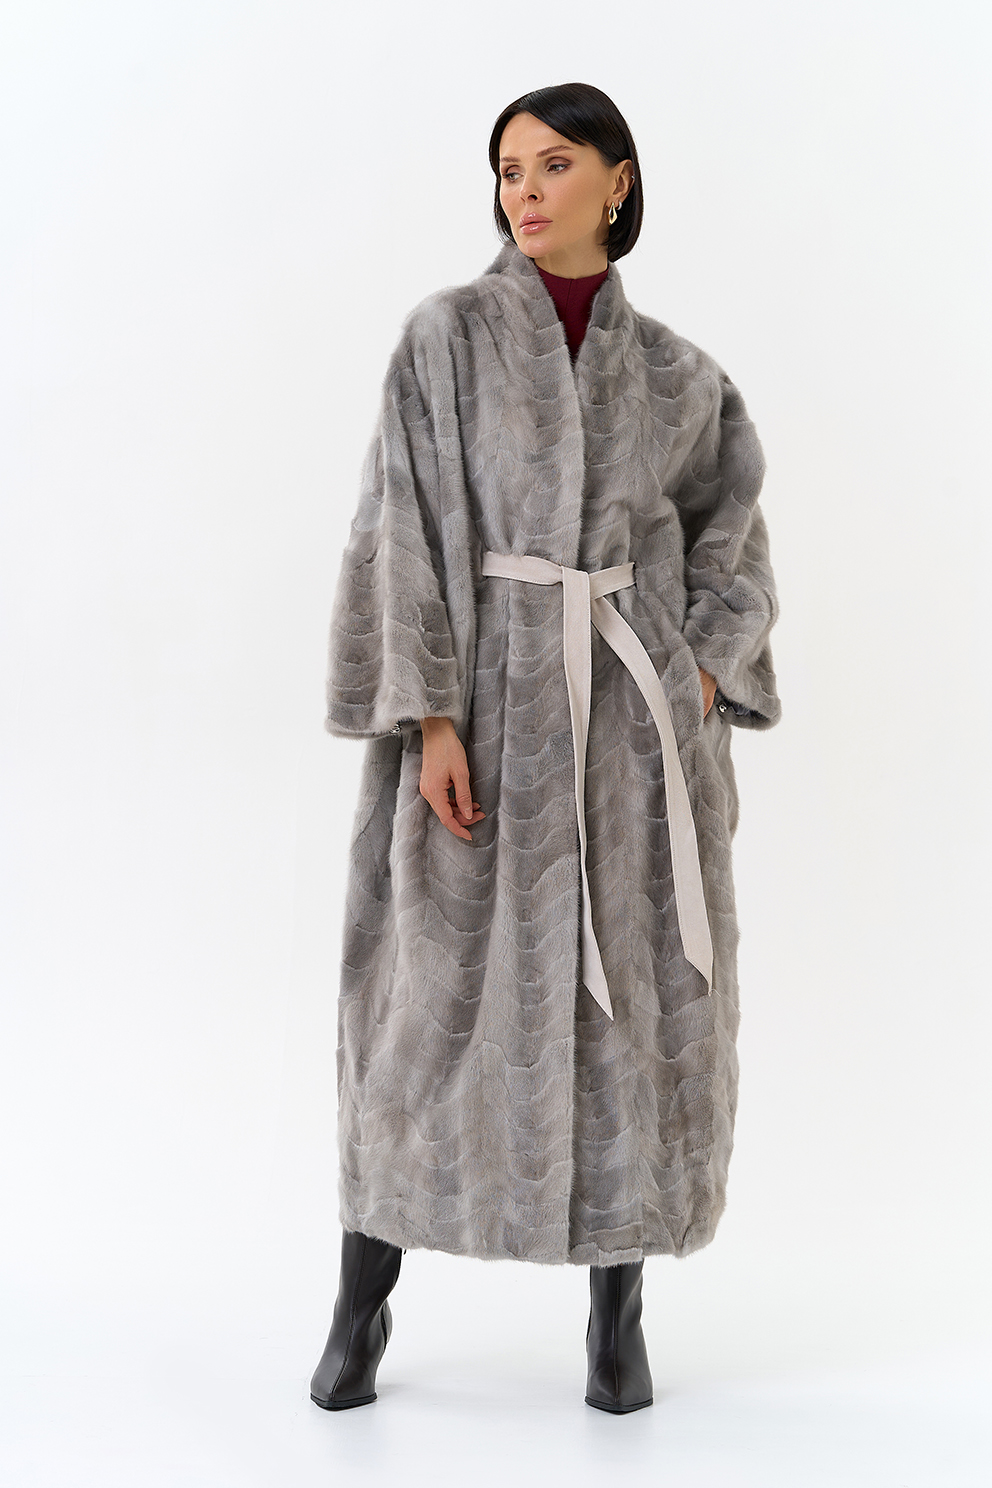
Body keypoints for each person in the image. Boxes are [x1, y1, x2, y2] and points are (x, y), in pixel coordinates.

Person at [309, 81, 782, 1414]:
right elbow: (400, 524)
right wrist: (430, 718)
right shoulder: (445, 339)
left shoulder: (682, 375)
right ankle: (359, 1307)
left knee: (634, 1013)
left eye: (555, 164)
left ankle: (617, 1319)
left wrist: (701, 672)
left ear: (617, 180)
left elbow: (733, 530)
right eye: (510, 168)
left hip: (634, 745)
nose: (525, 190)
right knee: (419, 1021)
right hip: (481, 723)